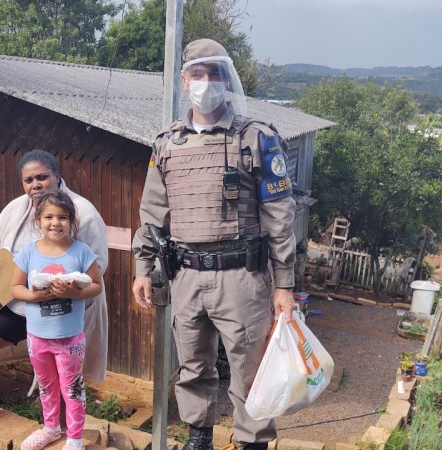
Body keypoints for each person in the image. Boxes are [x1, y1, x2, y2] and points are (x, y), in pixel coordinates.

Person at [131, 39, 297, 450]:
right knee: (192, 366)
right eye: (198, 74)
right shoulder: (167, 144)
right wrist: (142, 268)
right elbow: (153, 212)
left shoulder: (256, 138)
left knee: (250, 370)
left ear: (228, 78)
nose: (207, 82)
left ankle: (253, 442)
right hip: (185, 276)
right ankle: (198, 437)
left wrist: (285, 285)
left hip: (242, 278)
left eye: (216, 73)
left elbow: (280, 215)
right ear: (185, 80)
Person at [0, 149, 109, 436]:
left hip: (63, 308)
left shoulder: (81, 210)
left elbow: (97, 262)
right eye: (28, 180)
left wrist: (72, 287)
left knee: (62, 376)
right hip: (20, 301)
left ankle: (62, 432)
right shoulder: (15, 208)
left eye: (41, 177)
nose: (35, 184)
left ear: (57, 177)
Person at [11, 190, 103, 450]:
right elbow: (15, 287)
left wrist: (74, 292)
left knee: (72, 389)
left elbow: (97, 286)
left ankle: (74, 438)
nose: (55, 223)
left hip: (70, 339)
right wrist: (33, 296)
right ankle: (51, 428)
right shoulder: (29, 253)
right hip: (37, 338)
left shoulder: (81, 251)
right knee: (47, 385)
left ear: (72, 221)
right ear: (38, 220)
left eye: (63, 217)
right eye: (49, 216)